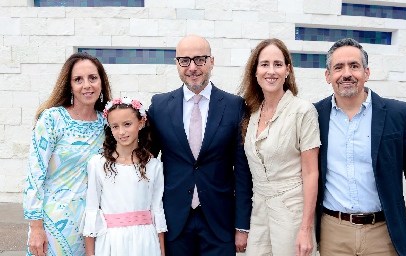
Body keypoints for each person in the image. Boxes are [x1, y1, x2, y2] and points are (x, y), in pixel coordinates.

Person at [314, 38, 406, 256]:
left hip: (384, 233)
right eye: (338, 67)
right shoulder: (314, 116)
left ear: (366, 72)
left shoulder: (397, 114)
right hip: (333, 233)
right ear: (328, 76)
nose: (347, 74)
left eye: (354, 66)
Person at [147, 34, 253, 255]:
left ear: (211, 61)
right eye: (184, 60)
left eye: (200, 59)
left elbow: (242, 172)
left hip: (219, 222)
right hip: (174, 221)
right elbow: (146, 161)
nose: (192, 67)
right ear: (176, 64)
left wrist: (242, 225)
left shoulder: (235, 106)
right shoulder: (159, 106)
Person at [23, 52, 112, 256]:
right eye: (78, 80)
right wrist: (36, 228)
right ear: (70, 86)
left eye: (93, 78)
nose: (87, 85)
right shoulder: (53, 119)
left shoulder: (107, 124)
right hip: (54, 222)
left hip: (94, 224)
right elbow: (34, 175)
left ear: (101, 82)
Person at [238, 38, 320, 256]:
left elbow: (311, 173)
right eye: (264, 64)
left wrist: (306, 228)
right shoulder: (251, 113)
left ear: (288, 70)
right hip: (259, 212)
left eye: (278, 64)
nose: (271, 71)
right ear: (255, 71)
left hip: (291, 210)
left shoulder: (303, 111)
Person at [81, 97, 167, 256]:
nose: (121, 132)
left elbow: (157, 209)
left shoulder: (153, 165)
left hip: (146, 241)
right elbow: (92, 209)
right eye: (115, 126)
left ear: (141, 123)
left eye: (127, 124)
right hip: (112, 242)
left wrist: (162, 252)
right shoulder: (98, 164)